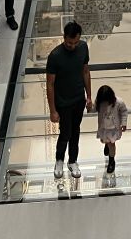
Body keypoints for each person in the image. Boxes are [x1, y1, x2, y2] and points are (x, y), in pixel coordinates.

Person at [46, 20, 93, 180]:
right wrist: (53, 110)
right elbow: (50, 84)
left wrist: (89, 96)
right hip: (63, 102)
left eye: (75, 42)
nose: (72, 45)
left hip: (78, 99)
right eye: (69, 42)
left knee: (75, 131)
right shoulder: (55, 56)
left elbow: (85, 71)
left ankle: (72, 161)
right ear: (64, 37)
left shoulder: (83, 47)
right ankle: (59, 160)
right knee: (65, 133)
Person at [95, 84, 128, 175]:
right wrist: (89, 106)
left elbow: (124, 112)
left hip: (113, 129)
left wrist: (124, 123)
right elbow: (94, 109)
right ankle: (107, 145)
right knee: (106, 141)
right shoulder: (99, 102)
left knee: (112, 144)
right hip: (104, 128)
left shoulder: (119, 102)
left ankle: (111, 161)